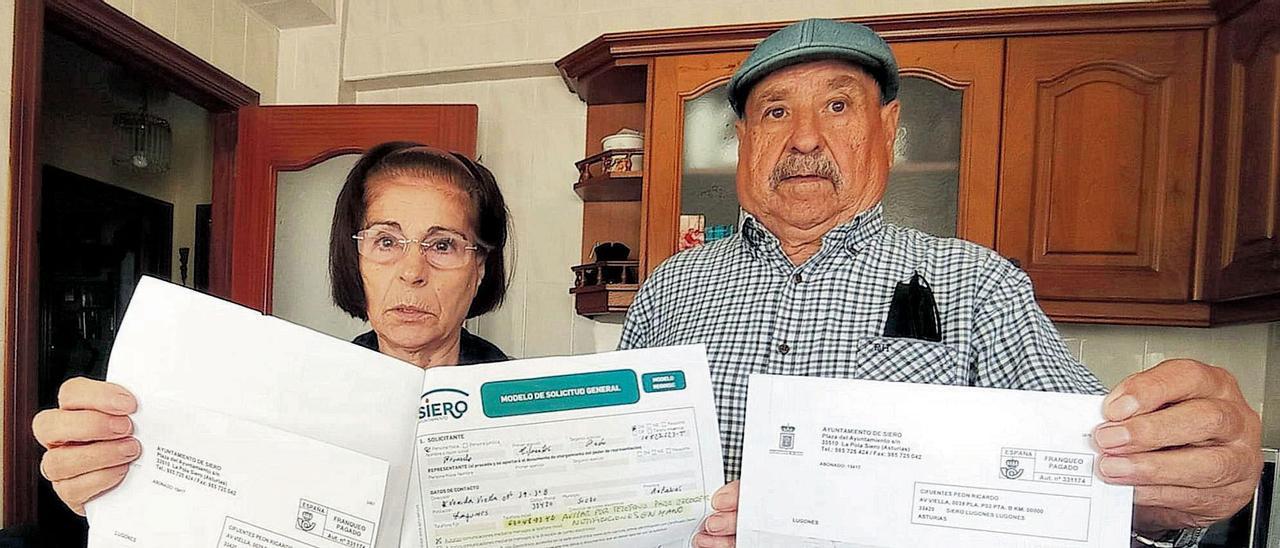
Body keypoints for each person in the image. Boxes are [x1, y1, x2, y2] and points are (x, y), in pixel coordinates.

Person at [613, 20, 1262, 548]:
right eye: (776, 112)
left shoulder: (979, 284)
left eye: (838, 105)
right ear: (746, 140)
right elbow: (619, 469)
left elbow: (1090, 473)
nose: (804, 138)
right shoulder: (671, 285)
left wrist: (1164, 487)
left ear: (888, 131)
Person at [32, 142, 512, 515]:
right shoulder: (283, 397)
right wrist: (116, 494)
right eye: (385, 240)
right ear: (356, 259)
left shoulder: (535, 414)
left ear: (480, 269)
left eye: (444, 245)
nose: (412, 271)